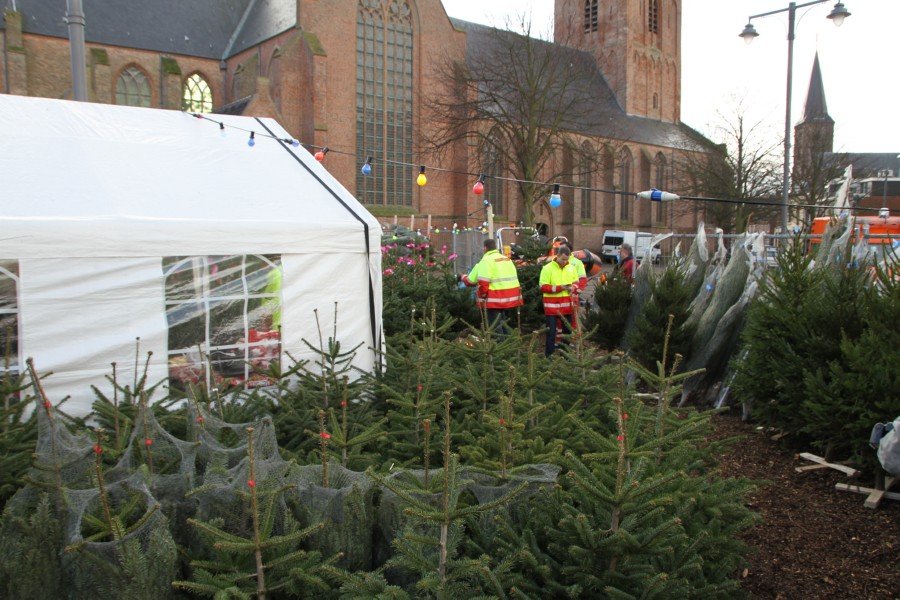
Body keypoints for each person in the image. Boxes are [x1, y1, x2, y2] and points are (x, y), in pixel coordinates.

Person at [459, 238, 523, 332]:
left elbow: (479, 283)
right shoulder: (506, 259)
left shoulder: (486, 261)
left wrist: (482, 296)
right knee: (504, 323)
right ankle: (509, 344)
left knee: (495, 326)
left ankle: (499, 344)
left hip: (495, 299)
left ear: (485, 248)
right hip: (511, 297)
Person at [539, 245, 578, 356]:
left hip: (567, 307)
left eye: (566, 260)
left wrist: (573, 287)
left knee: (567, 333)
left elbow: (576, 282)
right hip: (551, 307)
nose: (564, 262)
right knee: (551, 333)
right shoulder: (547, 268)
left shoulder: (572, 268)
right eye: (562, 259)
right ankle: (549, 356)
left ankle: (564, 356)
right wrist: (561, 287)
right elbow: (543, 287)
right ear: (557, 256)